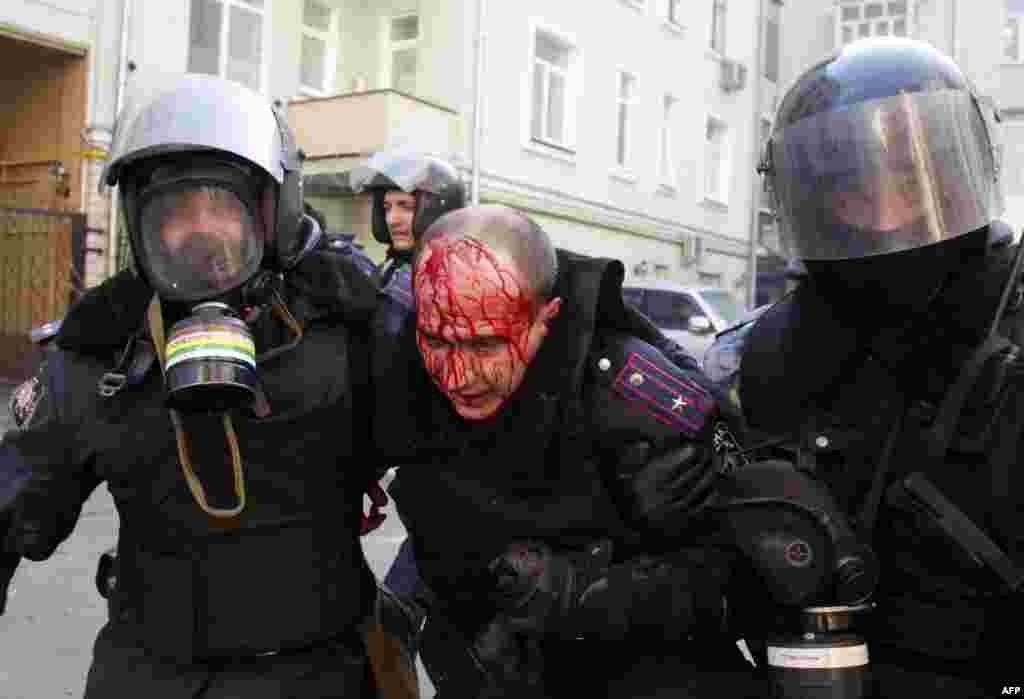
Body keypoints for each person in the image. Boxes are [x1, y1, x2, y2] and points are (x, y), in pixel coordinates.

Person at [0, 73, 393, 697]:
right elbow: (14, 506)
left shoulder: (346, 332)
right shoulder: (96, 356)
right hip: (149, 673)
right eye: (177, 211)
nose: (202, 231)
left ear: (270, 214)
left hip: (318, 674)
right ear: (141, 223)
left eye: (223, 205)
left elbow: (460, 469)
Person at [706, 37, 1019, 696]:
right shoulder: (766, 355)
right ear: (816, 201)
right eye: (853, 188)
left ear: (960, 175)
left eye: (907, 182)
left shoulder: (1007, 336)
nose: (882, 216)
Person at [375, 204, 764, 697]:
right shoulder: (405, 373)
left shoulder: (635, 400)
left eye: (485, 347)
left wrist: (591, 590)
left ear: (546, 319)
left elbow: (754, 579)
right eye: (438, 342)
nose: (457, 376)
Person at [348, 149, 467, 597]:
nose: (394, 218)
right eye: (387, 207)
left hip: (449, 465)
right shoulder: (397, 270)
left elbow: (388, 376)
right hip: (418, 461)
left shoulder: (440, 278)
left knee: (408, 599)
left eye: (406, 206)